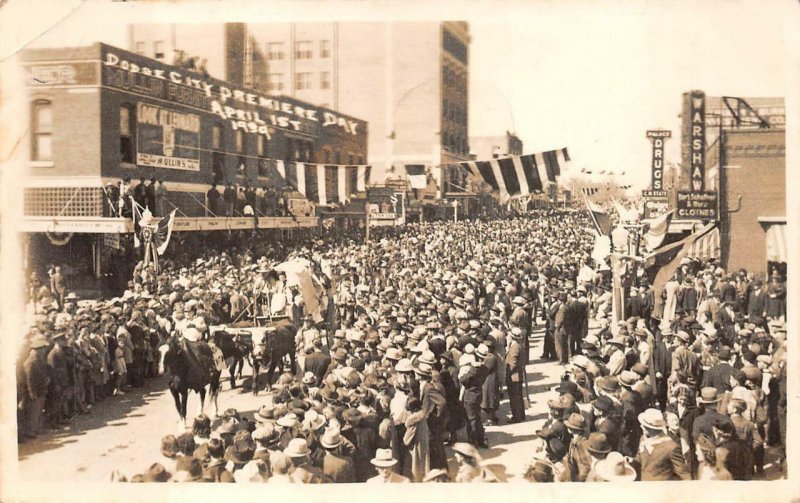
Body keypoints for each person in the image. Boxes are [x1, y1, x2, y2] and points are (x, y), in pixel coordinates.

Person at [505, 327, 525, 424]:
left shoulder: (515, 347)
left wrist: (507, 373)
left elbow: (513, 363)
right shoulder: (519, 345)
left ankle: (516, 416)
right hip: (518, 375)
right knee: (518, 396)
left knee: (514, 397)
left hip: (514, 376)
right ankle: (521, 415)